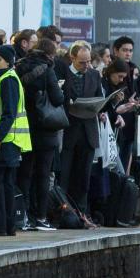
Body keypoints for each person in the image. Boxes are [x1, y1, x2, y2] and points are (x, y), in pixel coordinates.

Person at [15, 39, 63, 231]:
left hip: (24, 126)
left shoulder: (19, 67)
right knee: (43, 174)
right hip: (45, 128)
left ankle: (23, 215)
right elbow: (58, 99)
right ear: (50, 55)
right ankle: (40, 216)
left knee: (24, 173)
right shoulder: (47, 70)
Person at [0, 45, 30, 236]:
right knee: (6, 185)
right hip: (11, 141)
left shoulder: (7, 80)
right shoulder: (8, 78)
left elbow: (9, 113)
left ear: (9, 62)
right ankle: (7, 226)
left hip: (5, 142)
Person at [58, 41, 104, 220]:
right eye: (82, 62)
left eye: (88, 61)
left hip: (88, 131)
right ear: (72, 58)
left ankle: (82, 214)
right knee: (65, 175)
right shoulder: (63, 74)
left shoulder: (94, 75)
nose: (86, 66)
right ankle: (64, 213)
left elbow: (100, 97)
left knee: (84, 177)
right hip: (69, 130)